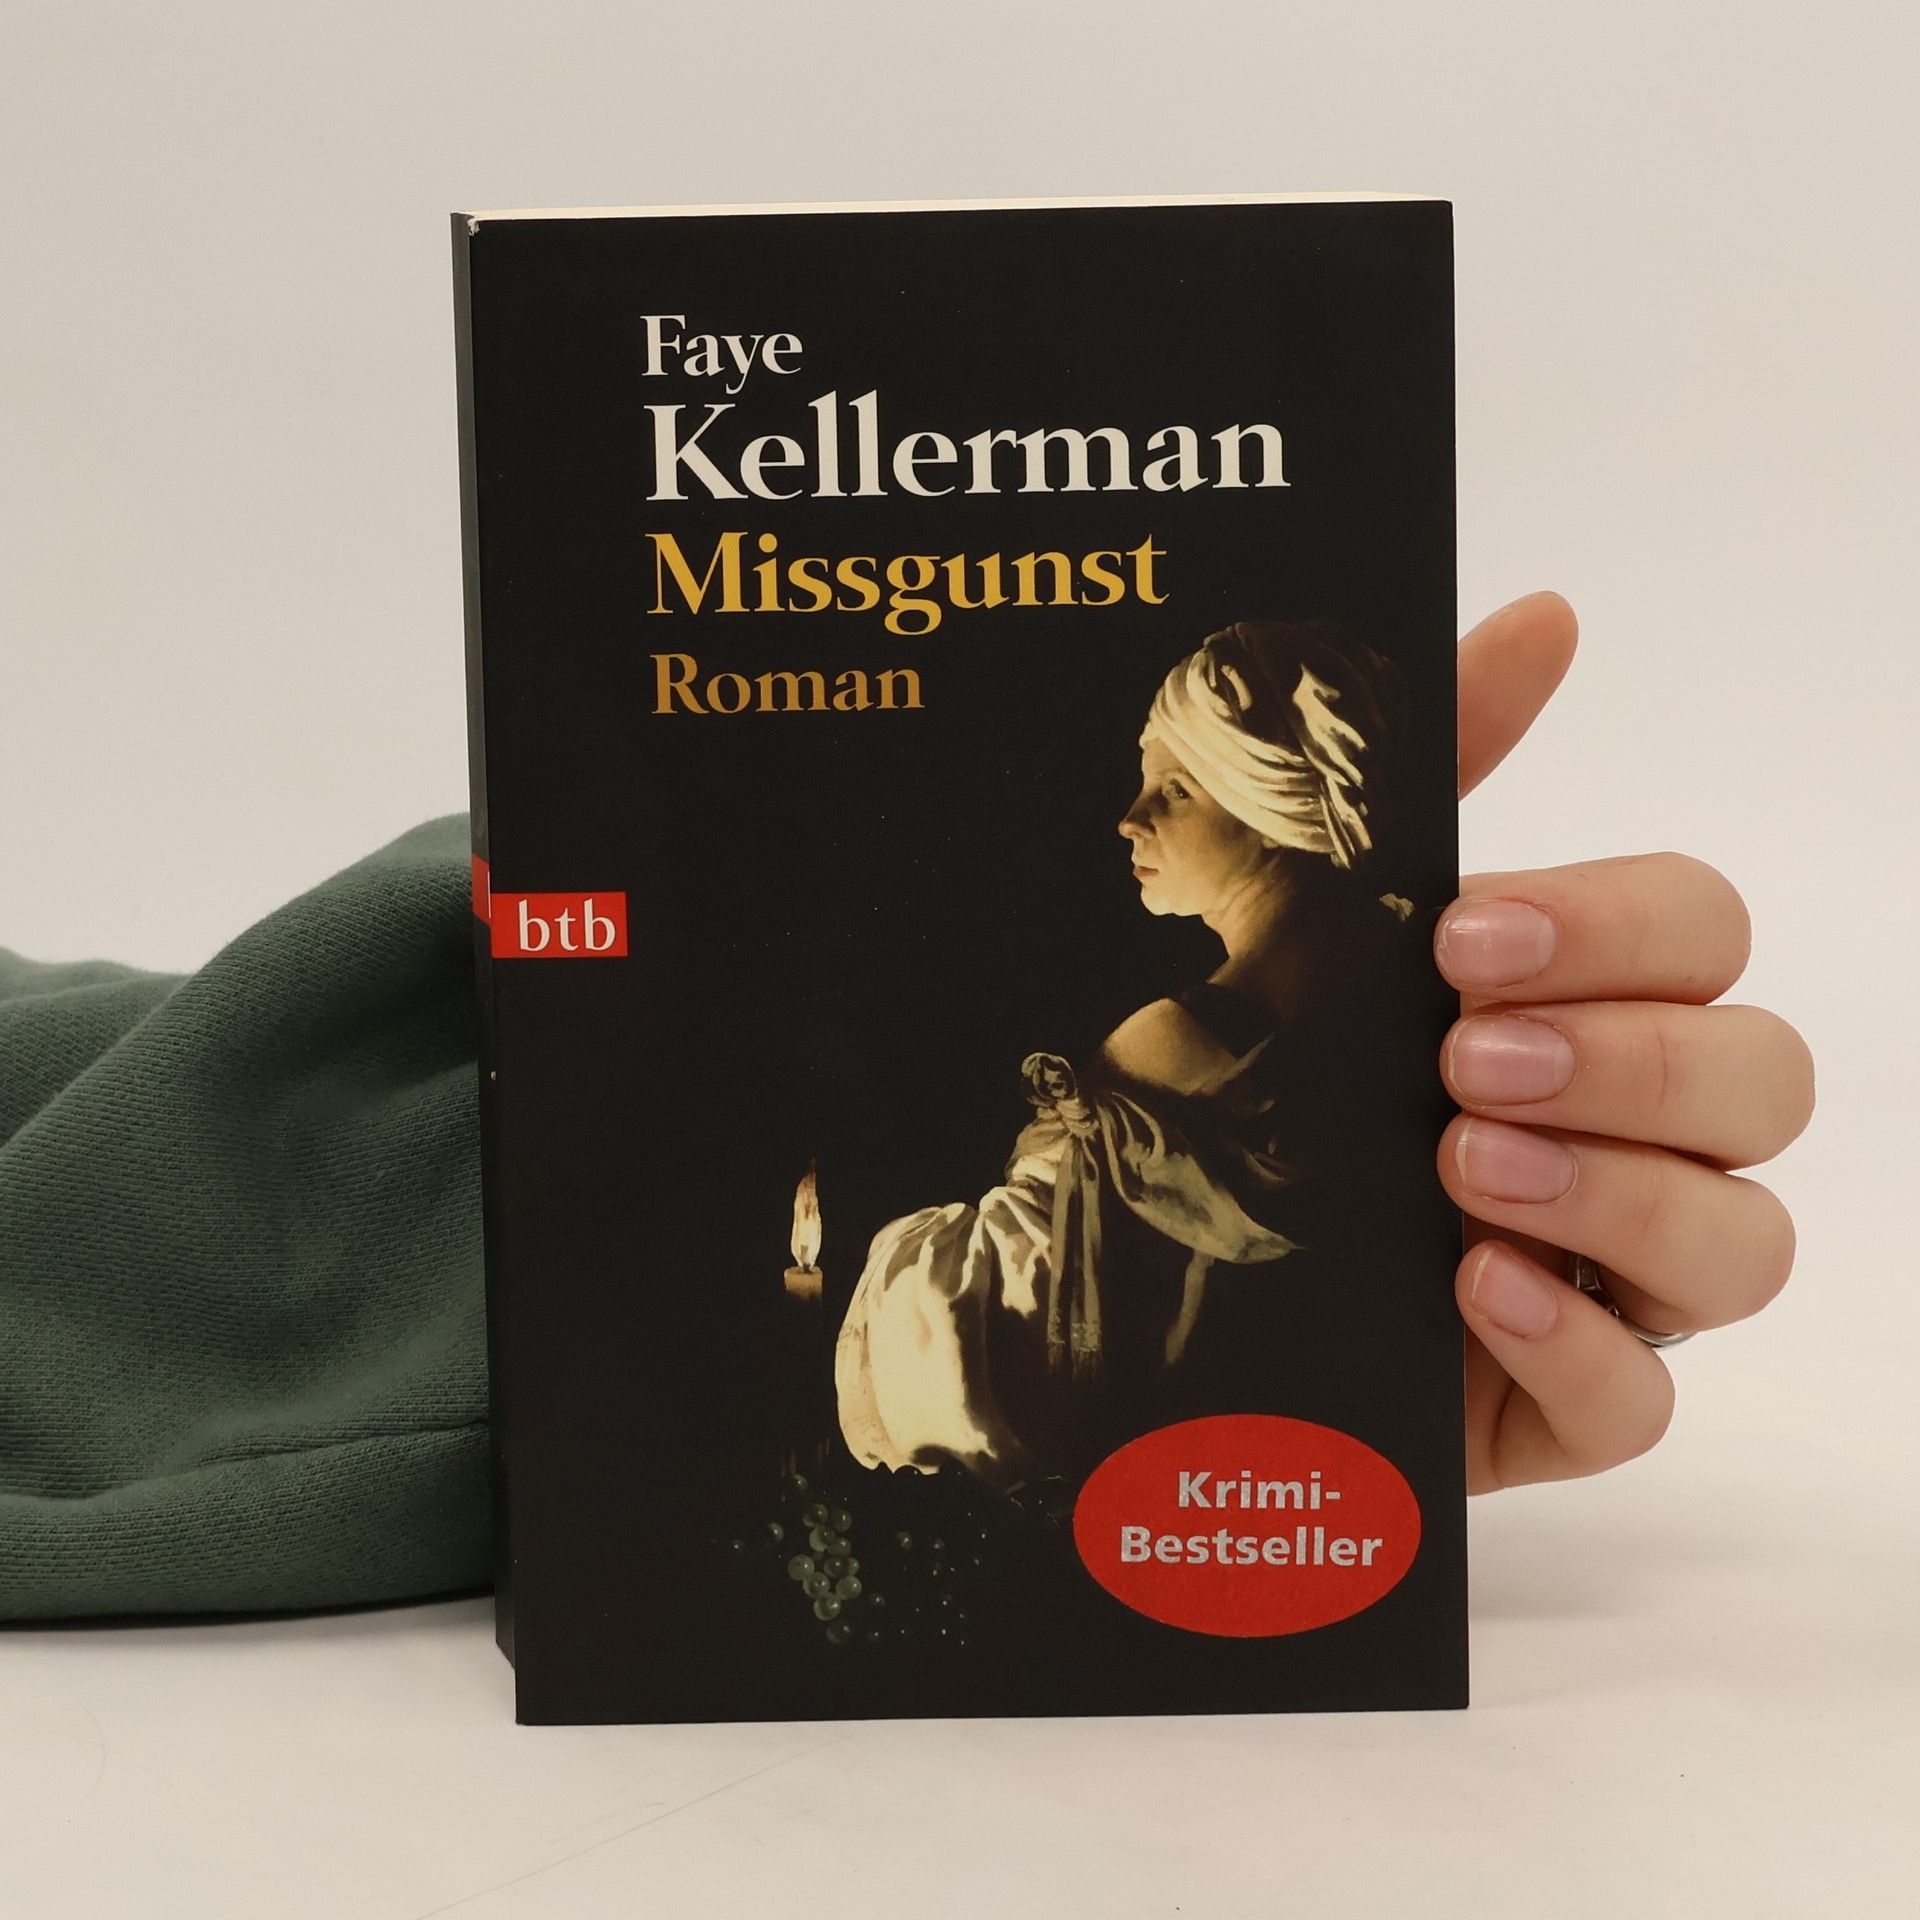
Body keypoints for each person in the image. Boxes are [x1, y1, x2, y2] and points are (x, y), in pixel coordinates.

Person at [0, 591, 1816, 1618]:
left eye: (1163, 791)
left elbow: (1004, 1350)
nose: (1126, 822)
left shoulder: (1178, 1050)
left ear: (1267, 808)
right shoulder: (1287, 1051)